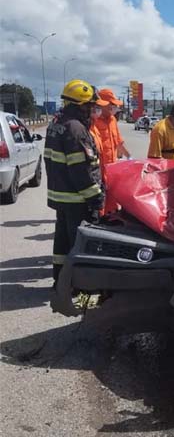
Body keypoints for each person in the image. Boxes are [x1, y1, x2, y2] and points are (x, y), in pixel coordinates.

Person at [44, 79, 104, 286]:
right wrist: (96, 196)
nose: (92, 110)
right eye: (90, 106)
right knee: (78, 244)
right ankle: (75, 286)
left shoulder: (56, 124)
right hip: (76, 198)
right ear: (80, 105)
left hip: (61, 196)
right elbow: (81, 170)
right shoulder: (75, 129)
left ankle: (60, 280)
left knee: (62, 241)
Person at [94, 88, 130, 212]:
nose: (114, 107)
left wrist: (129, 157)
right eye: (112, 104)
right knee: (99, 202)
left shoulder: (113, 120)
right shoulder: (94, 121)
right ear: (102, 104)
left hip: (111, 169)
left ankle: (111, 218)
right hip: (98, 169)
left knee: (112, 202)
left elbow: (118, 142)